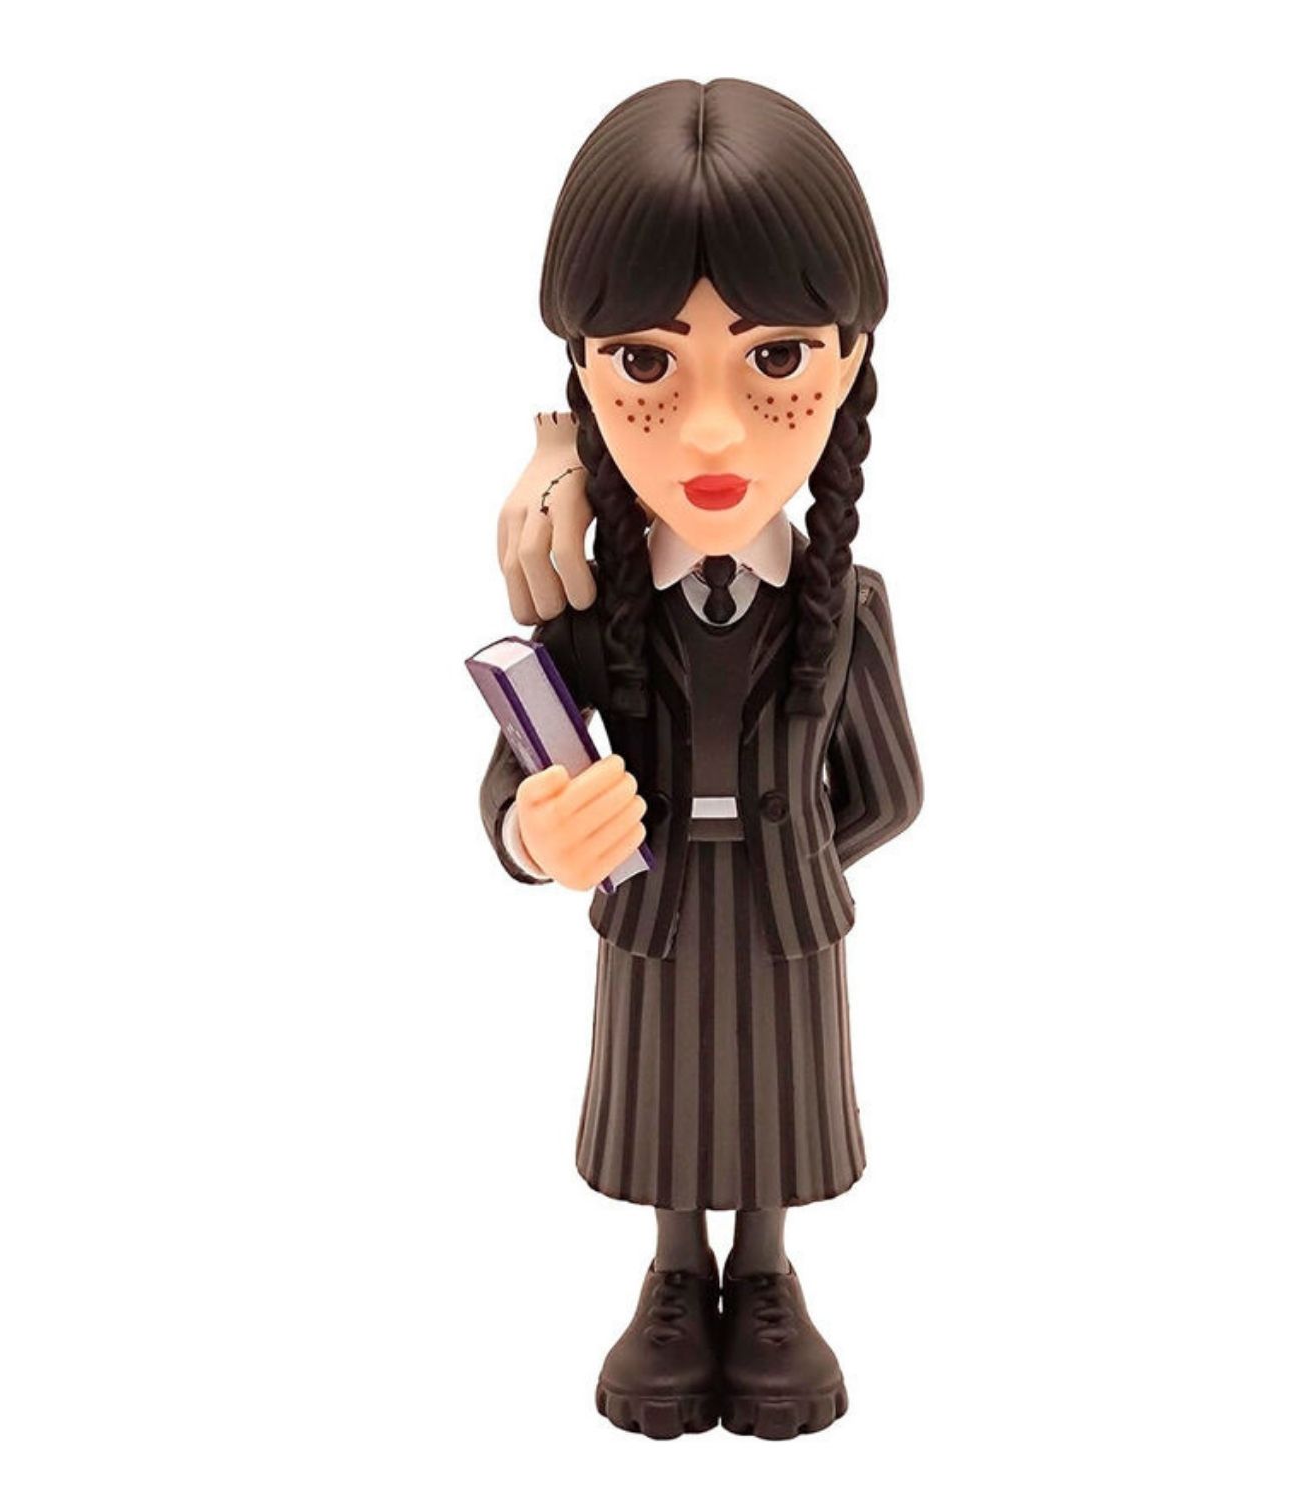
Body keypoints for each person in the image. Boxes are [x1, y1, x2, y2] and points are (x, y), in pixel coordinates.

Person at [478, 79, 923, 1440]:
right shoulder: (587, 612)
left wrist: (797, 847)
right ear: (584, 373)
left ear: (848, 359)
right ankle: (676, 1279)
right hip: (654, 915)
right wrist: (541, 833)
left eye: (776, 360)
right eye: (648, 365)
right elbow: (510, 781)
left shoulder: (846, 608)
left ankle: (767, 1280)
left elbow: (892, 790)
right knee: (669, 1101)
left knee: (775, 1105)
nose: (713, 431)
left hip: (784, 919)